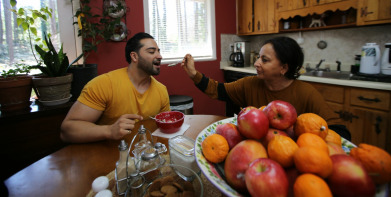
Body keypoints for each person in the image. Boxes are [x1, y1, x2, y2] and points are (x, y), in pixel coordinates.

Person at [181, 36, 350, 140]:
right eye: (258, 58)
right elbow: (218, 90)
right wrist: (193, 73)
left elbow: (340, 132)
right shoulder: (250, 84)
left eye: (265, 60)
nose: (256, 63)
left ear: (284, 68)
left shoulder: (306, 93)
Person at [60, 32, 170, 143]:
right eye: (151, 52)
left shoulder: (161, 90)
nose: (159, 56)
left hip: (144, 154)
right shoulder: (104, 84)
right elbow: (67, 130)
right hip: (104, 155)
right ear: (134, 56)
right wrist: (109, 130)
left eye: (158, 51)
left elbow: (165, 127)